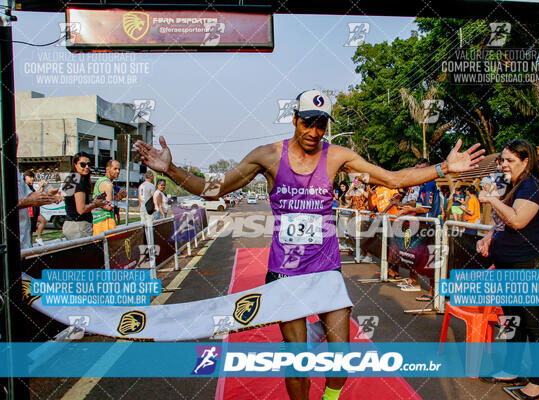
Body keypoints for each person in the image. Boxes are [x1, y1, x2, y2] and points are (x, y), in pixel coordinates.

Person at [135, 89, 484, 400]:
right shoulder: (268, 156)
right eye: (309, 123)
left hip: (326, 271)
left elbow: (391, 178)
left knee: (342, 358)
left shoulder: (338, 157)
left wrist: (443, 168)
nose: (314, 132)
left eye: (321, 125)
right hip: (285, 274)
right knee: (298, 360)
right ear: (295, 119)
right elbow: (215, 188)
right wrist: (171, 170)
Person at [477, 139, 539, 400]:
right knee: (512, 320)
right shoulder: (516, 185)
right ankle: (511, 368)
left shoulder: (532, 185)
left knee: (534, 324)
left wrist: (491, 199)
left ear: (526, 161)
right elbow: (504, 223)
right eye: (502, 160)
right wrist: (490, 236)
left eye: (509, 160)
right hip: (508, 263)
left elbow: (518, 220)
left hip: (528, 265)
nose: (503, 165)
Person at [397, 158, 442, 301]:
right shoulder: (421, 185)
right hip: (422, 223)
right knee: (417, 255)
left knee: (431, 259)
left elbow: (426, 208)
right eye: (415, 169)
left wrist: (410, 209)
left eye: (420, 169)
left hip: (430, 225)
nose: (417, 172)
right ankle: (415, 282)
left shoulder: (429, 183)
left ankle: (433, 293)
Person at [62, 153, 108, 240]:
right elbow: (81, 209)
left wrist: (92, 202)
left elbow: (72, 203)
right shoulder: (79, 182)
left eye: (89, 164)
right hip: (79, 227)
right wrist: (96, 204)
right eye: (83, 164)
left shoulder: (71, 180)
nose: (87, 167)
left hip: (70, 224)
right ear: (75, 165)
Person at [92, 159, 125, 235]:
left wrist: (118, 197)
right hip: (105, 222)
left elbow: (106, 202)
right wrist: (119, 202)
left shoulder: (101, 181)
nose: (118, 171)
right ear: (107, 169)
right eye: (115, 169)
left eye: (119, 169)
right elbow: (109, 206)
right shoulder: (108, 185)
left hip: (98, 220)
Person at [23, 170, 48, 246]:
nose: (32, 179)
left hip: (35, 209)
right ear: (25, 177)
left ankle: (37, 239)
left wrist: (42, 187)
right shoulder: (25, 187)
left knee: (42, 221)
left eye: (32, 177)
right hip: (29, 210)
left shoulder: (31, 186)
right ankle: (30, 244)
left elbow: (38, 195)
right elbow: (33, 196)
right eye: (30, 177)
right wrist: (40, 186)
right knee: (30, 229)